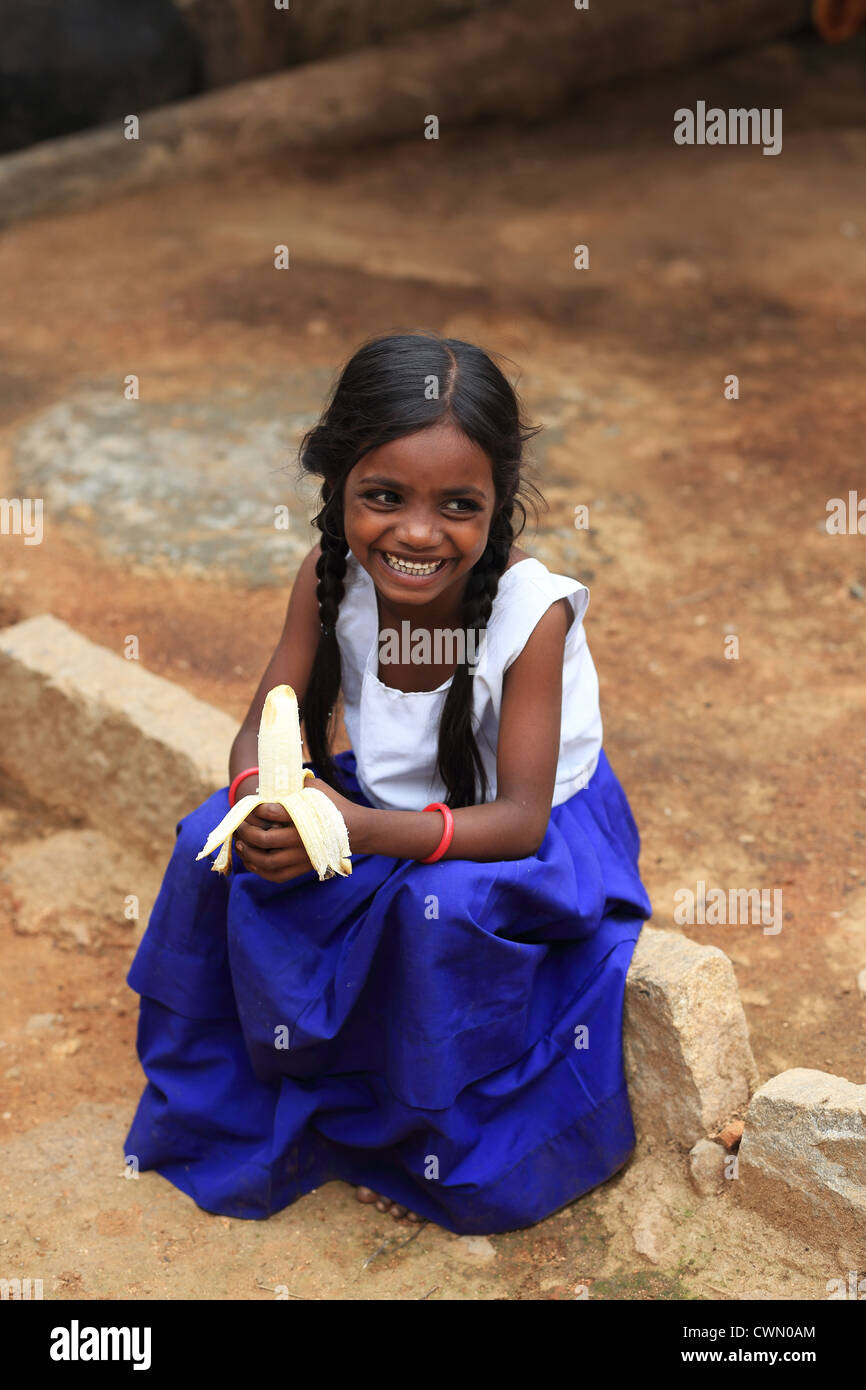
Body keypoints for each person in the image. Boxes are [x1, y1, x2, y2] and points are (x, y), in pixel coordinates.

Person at [125, 331, 652, 1234]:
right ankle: (248, 1093)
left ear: (499, 504)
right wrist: (260, 796)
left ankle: (421, 1139)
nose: (416, 531)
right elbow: (263, 721)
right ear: (337, 491)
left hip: (514, 842)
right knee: (204, 848)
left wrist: (358, 832)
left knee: (427, 917)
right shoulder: (330, 580)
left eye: (458, 505)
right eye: (382, 497)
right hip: (380, 808)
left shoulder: (534, 618)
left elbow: (521, 821)